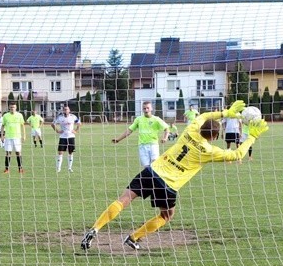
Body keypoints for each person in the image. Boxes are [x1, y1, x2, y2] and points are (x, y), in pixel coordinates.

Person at [80, 100, 268, 251]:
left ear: (201, 128)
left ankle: (95, 229)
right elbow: (236, 155)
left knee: (125, 198)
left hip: (152, 170)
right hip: (168, 185)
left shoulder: (190, 130)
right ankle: (133, 237)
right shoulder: (209, 150)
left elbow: (203, 115)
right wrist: (251, 136)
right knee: (167, 215)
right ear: (214, 136)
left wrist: (225, 113)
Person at [112, 101, 169, 168]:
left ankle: (155, 178)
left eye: (148, 108)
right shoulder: (139, 119)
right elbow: (129, 131)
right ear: (142, 109)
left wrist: (165, 138)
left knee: (155, 164)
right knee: (146, 167)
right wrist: (118, 139)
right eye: (144, 108)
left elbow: (167, 128)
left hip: (153, 145)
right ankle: (149, 178)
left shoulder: (156, 119)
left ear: (151, 109)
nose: (146, 110)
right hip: (142, 146)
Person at [51, 104, 81, 173]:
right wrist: (57, 130)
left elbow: (79, 123)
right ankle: (58, 168)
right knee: (60, 152)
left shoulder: (73, 117)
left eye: (67, 109)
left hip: (71, 137)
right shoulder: (60, 117)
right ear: (63, 110)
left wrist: (76, 130)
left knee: (70, 152)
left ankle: (70, 168)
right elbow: (52, 124)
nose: (65, 110)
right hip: (63, 137)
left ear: (69, 110)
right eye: (64, 109)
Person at [2, 103, 26, 174]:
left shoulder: (19, 115)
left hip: (17, 137)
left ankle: (20, 169)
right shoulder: (5, 116)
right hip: (8, 137)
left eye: (14, 107)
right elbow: (3, 126)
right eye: (11, 107)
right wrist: (2, 136)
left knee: (18, 152)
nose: (12, 108)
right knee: (8, 153)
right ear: (9, 108)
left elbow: (23, 126)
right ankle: (6, 169)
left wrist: (24, 135)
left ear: (16, 108)